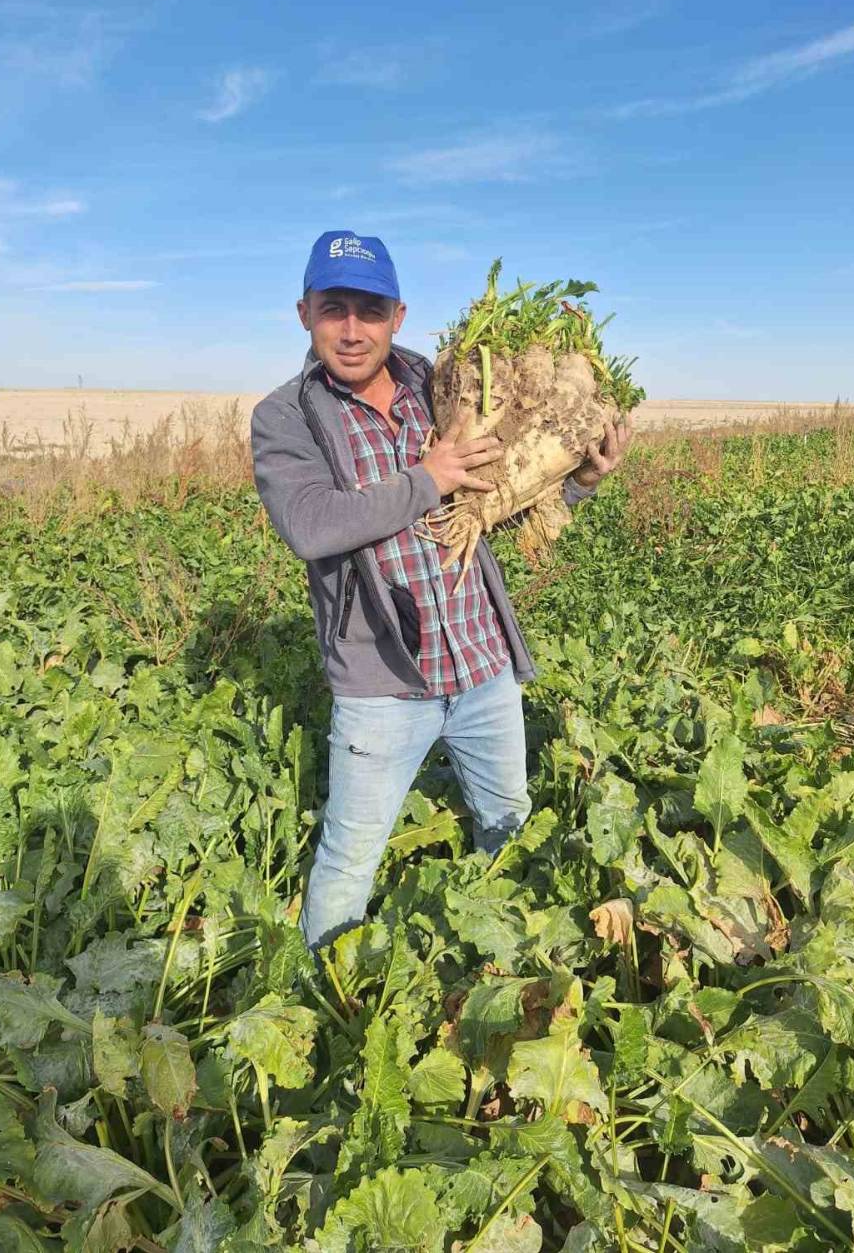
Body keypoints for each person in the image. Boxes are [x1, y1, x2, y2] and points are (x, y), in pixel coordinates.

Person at [251, 231, 632, 949]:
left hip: (483, 665)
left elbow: (503, 500)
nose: (354, 329)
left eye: (371, 309)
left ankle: (507, 965)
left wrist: (578, 479)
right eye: (335, 309)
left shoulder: (445, 382)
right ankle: (318, 1005)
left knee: (508, 825)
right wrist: (430, 477)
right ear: (305, 313)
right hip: (381, 687)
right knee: (349, 858)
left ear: (398, 315)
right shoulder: (285, 416)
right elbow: (312, 524)